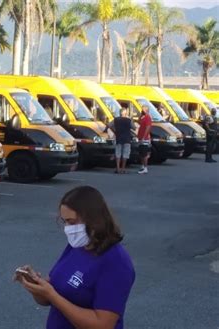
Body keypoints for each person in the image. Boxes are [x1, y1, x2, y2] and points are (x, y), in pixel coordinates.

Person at [15, 186, 135, 329]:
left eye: (72, 222)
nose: (67, 228)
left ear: (94, 219)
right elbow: (48, 296)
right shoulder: (77, 247)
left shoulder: (116, 262)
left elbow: (103, 325)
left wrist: (52, 295)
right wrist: (35, 284)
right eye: (64, 221)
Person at [109, 108, 135, 173]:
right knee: (125, 154)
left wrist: (114, 131)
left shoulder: (116, 119)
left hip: (118, 138)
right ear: (125, 113)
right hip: (127, 138)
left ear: (120, 113)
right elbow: (134, 128)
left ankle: (118, 168)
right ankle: (123, 169)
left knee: (118, 153)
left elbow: (109, 125)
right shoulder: (129, 120)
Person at [137, 105, 152, 174]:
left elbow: (148, 127)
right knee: (141, 153)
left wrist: (144, 136)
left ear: (145, 110)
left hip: (144, 138)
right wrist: (140, 115)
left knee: (144, 153)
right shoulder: (144, 117)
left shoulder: (148, 117)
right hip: (140, 137)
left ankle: (145, 168)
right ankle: (143, 166)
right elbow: (139, 121)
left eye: (142, 110)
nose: (141, 111)